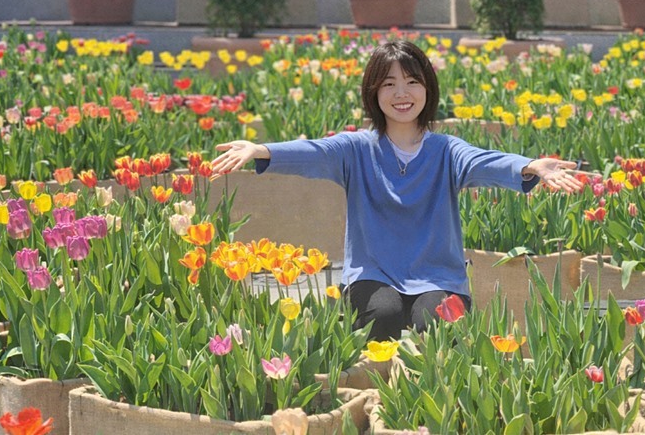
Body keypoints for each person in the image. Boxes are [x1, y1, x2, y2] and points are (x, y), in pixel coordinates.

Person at [211, 40, 583, 341]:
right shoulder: (356, 149)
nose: (401, 93)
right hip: (373, 273)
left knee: (435, 323)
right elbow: (315, 153)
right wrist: (261, 151)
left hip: (437, 275)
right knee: (382, 315)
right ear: (374, 93)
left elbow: (481, 161)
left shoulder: (445, 150)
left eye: (412, 82)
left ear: (427, 89)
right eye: (389, 84)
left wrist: (528, 165)